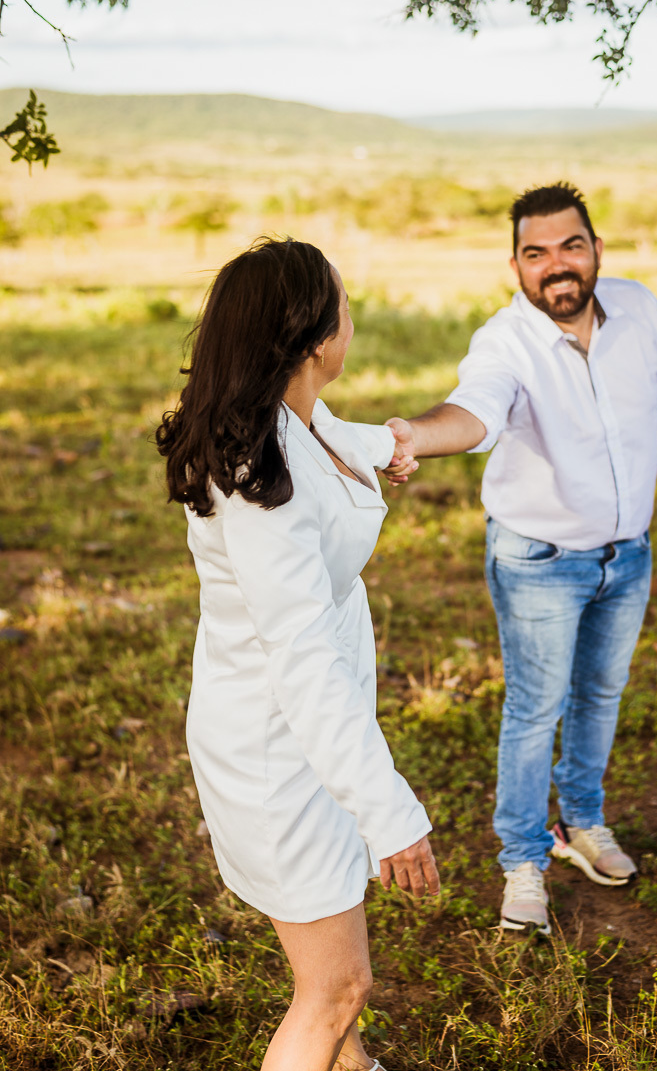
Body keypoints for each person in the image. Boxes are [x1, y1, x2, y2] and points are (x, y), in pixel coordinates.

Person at [156, 236, 439, 1071]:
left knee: (334, 970)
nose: (352, 321)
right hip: (282, 747)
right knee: (337, 989)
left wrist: (399, 442)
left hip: (305, 735)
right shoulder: (257, 479)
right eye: (343, 308)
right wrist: (387, 811)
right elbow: (303, 662)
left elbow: (347, 442)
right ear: (315, 338)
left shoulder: (292, 424)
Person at [385, 182, 657, 936]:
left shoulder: (641, 310)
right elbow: (475, 411)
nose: (555, 265)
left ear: (595, 250)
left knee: (601, 694)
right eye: (535, 253)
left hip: (624, 556)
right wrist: (414, 437)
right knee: (534, 710)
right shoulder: (505, 341)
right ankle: (523, 859)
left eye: (569, 246)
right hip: (539, 559)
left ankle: (582, 823)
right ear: (515, 266)